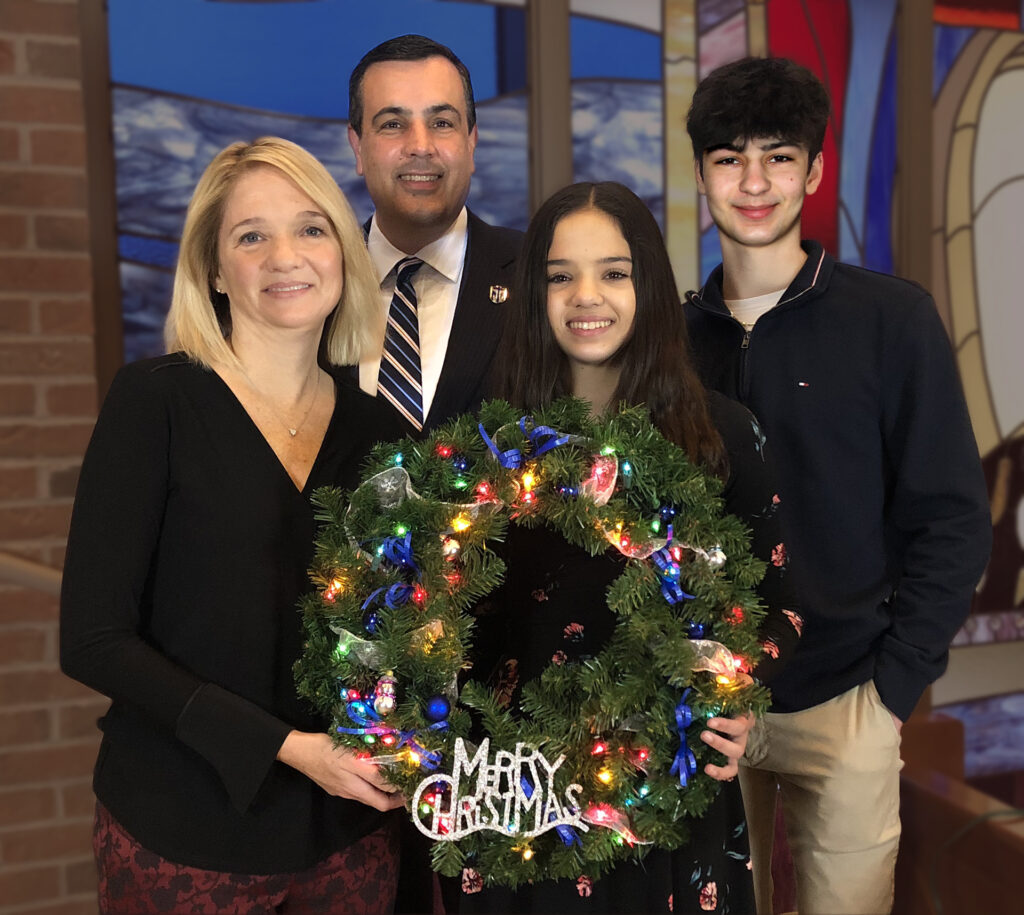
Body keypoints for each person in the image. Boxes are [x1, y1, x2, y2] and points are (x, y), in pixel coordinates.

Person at [60, 137, 407, 914]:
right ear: (215, 269)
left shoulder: (382, 434)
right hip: (183, 832)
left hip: (347, 837)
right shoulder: (156, 403)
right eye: (252, 235)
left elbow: (401, 626)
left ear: (344, 253)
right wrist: (288, 749)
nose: (287, 255)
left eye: (312, 228)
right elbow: (91, 638)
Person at [683, 57, 992, 915]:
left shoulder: (891, 320)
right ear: (701, 172)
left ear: (814, 171)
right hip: (705, 705)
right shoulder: (671, 341)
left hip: (849, 695)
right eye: (729, 158)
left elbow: (953, 518)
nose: (753, 182)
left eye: (779, 157)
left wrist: (895, 688)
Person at [457, 181, 802, 914]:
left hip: (670, 800)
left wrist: (733, 700)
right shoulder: (490, 444)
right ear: (534, 294)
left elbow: (785, 609)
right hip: (522, 801)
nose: (588, 296)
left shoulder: (723, 435)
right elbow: (456, 621)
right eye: (561, 276)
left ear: (647, 283)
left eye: (614, 272)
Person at [347, 34, 523, 433]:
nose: (421, 146)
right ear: (357, 147)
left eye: (441, 123)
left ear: (471, 142)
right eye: (393, 125)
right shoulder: (315, 283)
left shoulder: (537, 275)